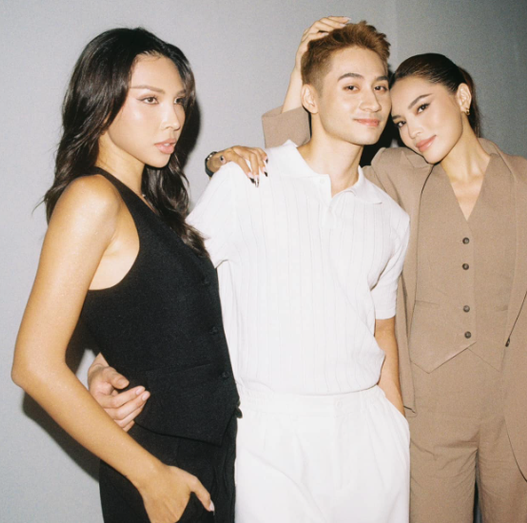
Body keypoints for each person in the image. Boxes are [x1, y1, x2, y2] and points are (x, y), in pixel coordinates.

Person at [90, 21, 411, 523]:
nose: (371, 101)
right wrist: (105, 360)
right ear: (309, 97)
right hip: (269, 433)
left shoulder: (391, 218)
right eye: (351, 87)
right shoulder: (248, 181)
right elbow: (171, 285)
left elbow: (383, 331)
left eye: (380, 86)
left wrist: (397, 427)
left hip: (368, 433)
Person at [259, 22, 527, 523]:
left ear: (463, 97)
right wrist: (302, 71)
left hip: (517, 409)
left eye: (423, 108)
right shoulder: (394, 174)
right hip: (427, 411)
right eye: (401, 121)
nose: (412, 131)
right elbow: (306, 167)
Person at [11, 27, 241, 523]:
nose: (173, 119)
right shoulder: (92, 198)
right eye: (150, 99)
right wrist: (150, 476)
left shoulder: (153, 204)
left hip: (209, 457)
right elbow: (33, 364)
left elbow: (143, 317)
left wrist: (102, 364)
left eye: (179, 101)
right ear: (101, 102)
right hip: (159, 467)